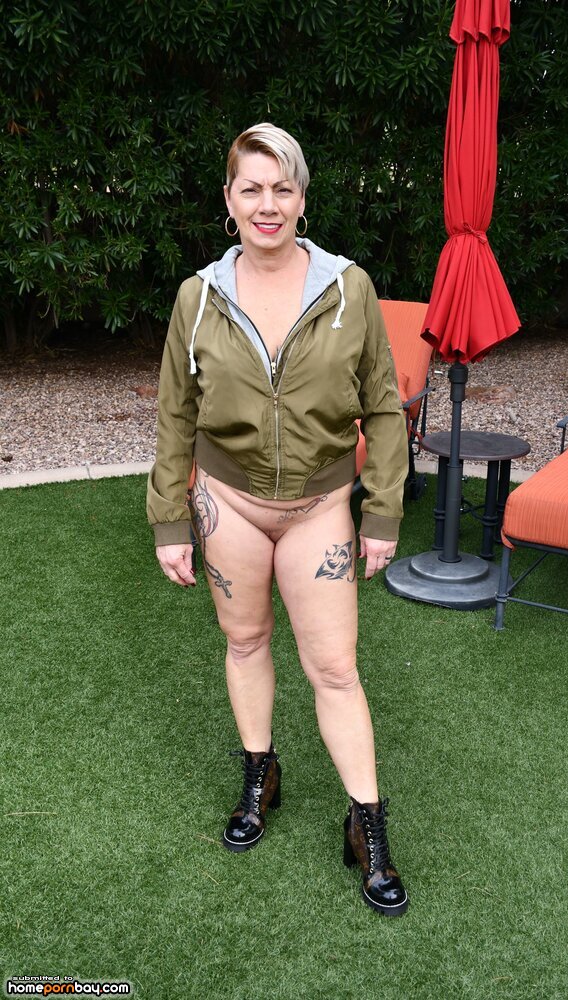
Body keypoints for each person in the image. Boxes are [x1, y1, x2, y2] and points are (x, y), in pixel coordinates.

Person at [147, 123, 409, 917]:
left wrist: (382, 508)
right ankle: (260, 775)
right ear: (229, 200)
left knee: (334, 668)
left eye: (282, 188)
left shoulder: (348, 288)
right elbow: (174, 415)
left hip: (319, 507)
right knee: (245, 641)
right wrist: (168, 519)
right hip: (226, 501)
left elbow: (384, 406)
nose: (267, 204)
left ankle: (367, 825)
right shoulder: (197, 298)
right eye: (251, 188)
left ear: (301, 198)